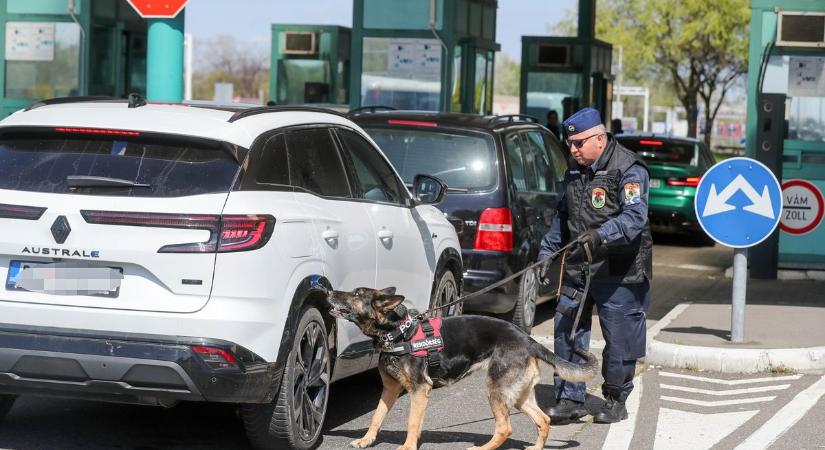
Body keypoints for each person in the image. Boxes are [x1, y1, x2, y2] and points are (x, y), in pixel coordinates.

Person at [538, 107, 652, 424]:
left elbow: (634, 219)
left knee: (620, 338)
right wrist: (546, 253)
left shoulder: (629, 168)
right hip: (579, 265)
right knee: (567, 333)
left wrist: (601, 235)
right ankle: (570, 399)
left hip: (619, 270)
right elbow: (564, 216)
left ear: (599, 138)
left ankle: (615, 399)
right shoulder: (574, 171)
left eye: (578, 143)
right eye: (570, 143)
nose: (572, 150)